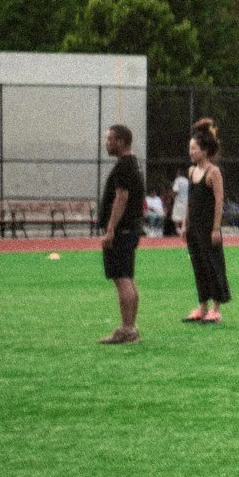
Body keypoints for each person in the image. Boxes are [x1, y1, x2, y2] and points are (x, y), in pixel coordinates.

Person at [96, 124, 146, 345]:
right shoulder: (134, 164)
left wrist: (110, 229)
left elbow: (121, 198)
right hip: (130, 229)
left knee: (122, 279)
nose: (106, 143)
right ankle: (130, 328)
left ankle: (127, 329)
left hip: (122, 230)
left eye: (110, 139)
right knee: (128, 278)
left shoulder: (124, 166)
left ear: (121, 141)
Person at [182, 118, 230, 323]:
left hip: (208, 226)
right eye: (190, 148)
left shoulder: (214, 172)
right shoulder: (192, 171)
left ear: (204, 150)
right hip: (194, 227)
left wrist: (216, 228)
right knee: (198, 265)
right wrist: (185, 224)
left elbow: (219, 201)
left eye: (194, 148)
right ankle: (202, 306)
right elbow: (190, 200)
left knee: (213, 265)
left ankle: (216, 309)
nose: (191, 152)